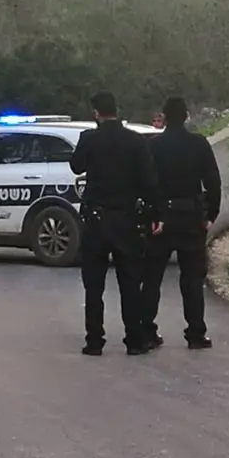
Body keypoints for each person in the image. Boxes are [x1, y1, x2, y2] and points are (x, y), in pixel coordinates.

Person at [71, 91, 160, 356]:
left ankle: (94, 340)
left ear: (95, 112)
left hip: (96, 221)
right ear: (117, 110)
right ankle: (134, 340)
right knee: (130, 283)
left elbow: (76, 167)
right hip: (126, 220)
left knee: (94, 286)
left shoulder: (89, 139)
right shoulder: (134, 141)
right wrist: (155, 215)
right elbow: (149, 181)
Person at [139, 97, 221, 350]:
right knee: (192, 279)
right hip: (191, 217)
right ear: (186, 116)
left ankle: (147, 330)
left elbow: (145, 184)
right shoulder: (198, 144)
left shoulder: (152, 146)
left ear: (163, 117)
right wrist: (210, 215)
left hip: (162, 217)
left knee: (152, 277)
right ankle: (195, 333)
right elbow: (213, 182)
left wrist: (151, 216)